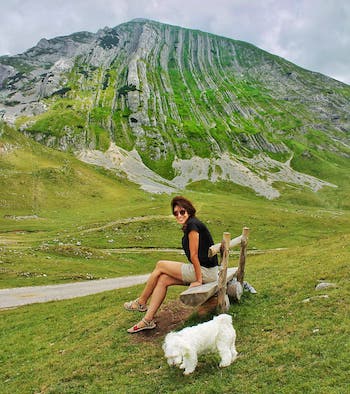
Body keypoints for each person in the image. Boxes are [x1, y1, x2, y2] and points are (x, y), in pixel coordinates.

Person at [124, 195, 218, 333]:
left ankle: (141, 302)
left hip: (206, 272)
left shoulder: (193, 225)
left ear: (189, 211)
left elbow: (194, 255)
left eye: (182, 212)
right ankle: (147, 320)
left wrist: (198, 280)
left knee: (160, 265)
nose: (179, 215)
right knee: (163, 279)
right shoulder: (191, 224)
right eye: (175, 213)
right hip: (208, 271)